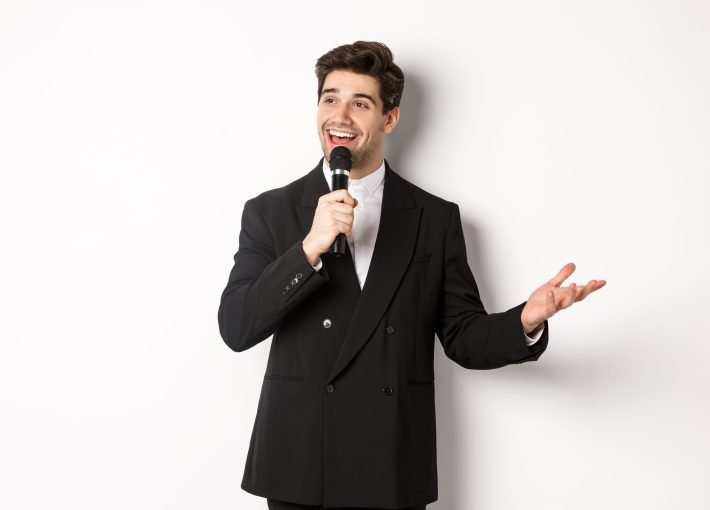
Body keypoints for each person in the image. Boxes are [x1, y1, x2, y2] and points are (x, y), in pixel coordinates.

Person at [218, 41, 605, 510]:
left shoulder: (433, 218)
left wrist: (526, 319)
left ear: (390, 118)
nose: (340, 115)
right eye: (330, 98)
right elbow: (237, 327)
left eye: (360, 103)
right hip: (301, 464)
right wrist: (307, 251)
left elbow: (463, 336)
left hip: (391, 458)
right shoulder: (270, 212)